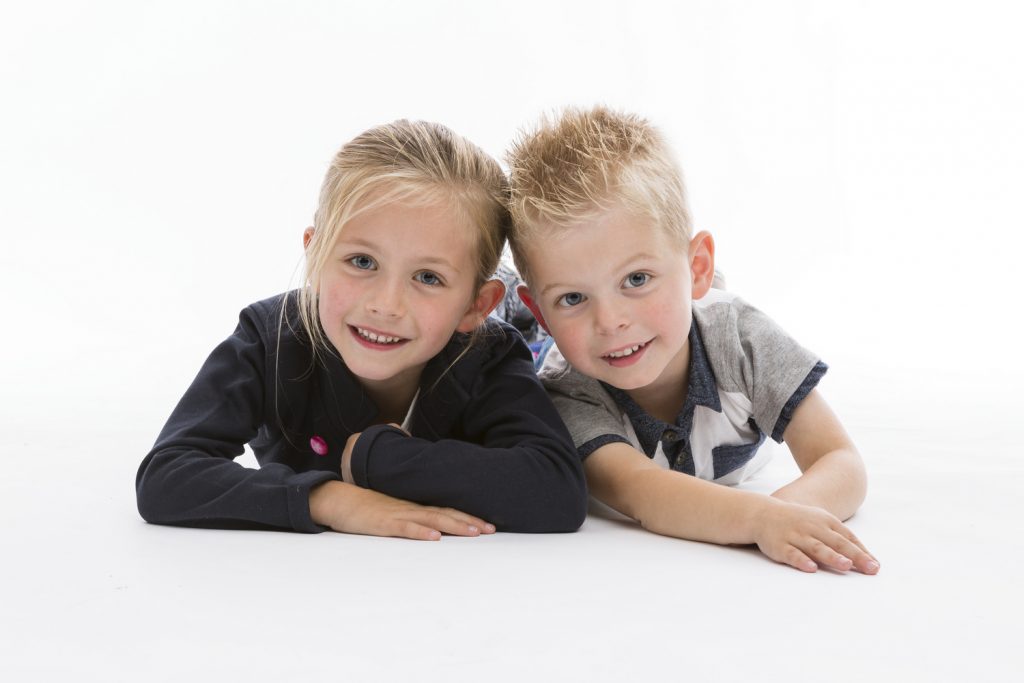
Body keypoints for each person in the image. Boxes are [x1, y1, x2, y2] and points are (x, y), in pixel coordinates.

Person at [136, 120, 587, 539]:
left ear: (475, 305)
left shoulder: (487, 355)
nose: (385, 305)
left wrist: (380, 459)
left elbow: (557, 490)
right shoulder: (268, 340)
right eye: (362, 262)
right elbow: (167, 475)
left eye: (427, 277)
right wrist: (328, 499)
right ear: (315, 256)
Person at [505, 106, 880, 573]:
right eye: (573, 297)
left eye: (636, 279)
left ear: (696, 265)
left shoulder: (741, 337)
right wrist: (759, 519)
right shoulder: (566, 391)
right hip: (555, 348)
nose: (611, 321)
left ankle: (658, 287)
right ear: (541, 309)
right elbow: (646, 494)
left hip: (708, 313)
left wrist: (785, 516)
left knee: (704, 308)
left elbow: (841, 460)